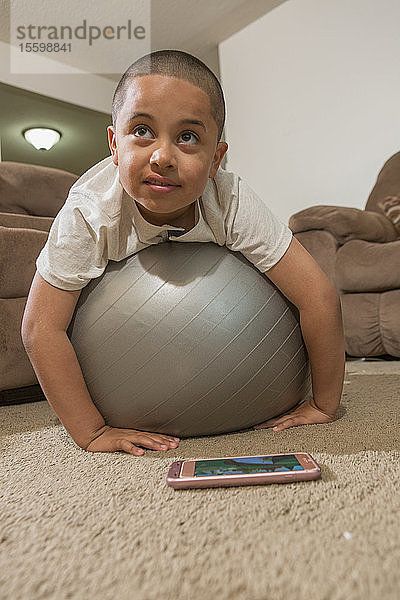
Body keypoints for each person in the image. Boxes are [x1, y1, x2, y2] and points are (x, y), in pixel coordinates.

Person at [21, 50, 345, 456]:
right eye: (141, 130)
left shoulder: (229, 199)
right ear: (113, 145)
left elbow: (318, 296)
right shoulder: (89, 213)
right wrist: (91, 431)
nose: (162, 157)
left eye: (188, 137)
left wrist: (324, 404)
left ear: (216, 160)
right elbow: (40, 328)